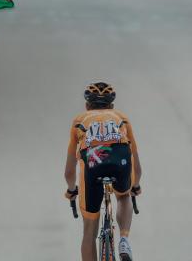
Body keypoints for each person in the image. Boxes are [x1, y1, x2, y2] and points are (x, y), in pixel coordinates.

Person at [64, 82, 143, 261]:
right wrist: (135, 186)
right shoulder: (121, 117)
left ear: (87, 106)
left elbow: (69, 171)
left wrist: (71, 190)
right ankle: (123, 238)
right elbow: (136, 165)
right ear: (112, 106)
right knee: (123, 196)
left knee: (89, 232)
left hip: (92, 164)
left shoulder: (79, 120)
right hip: (120, 160)